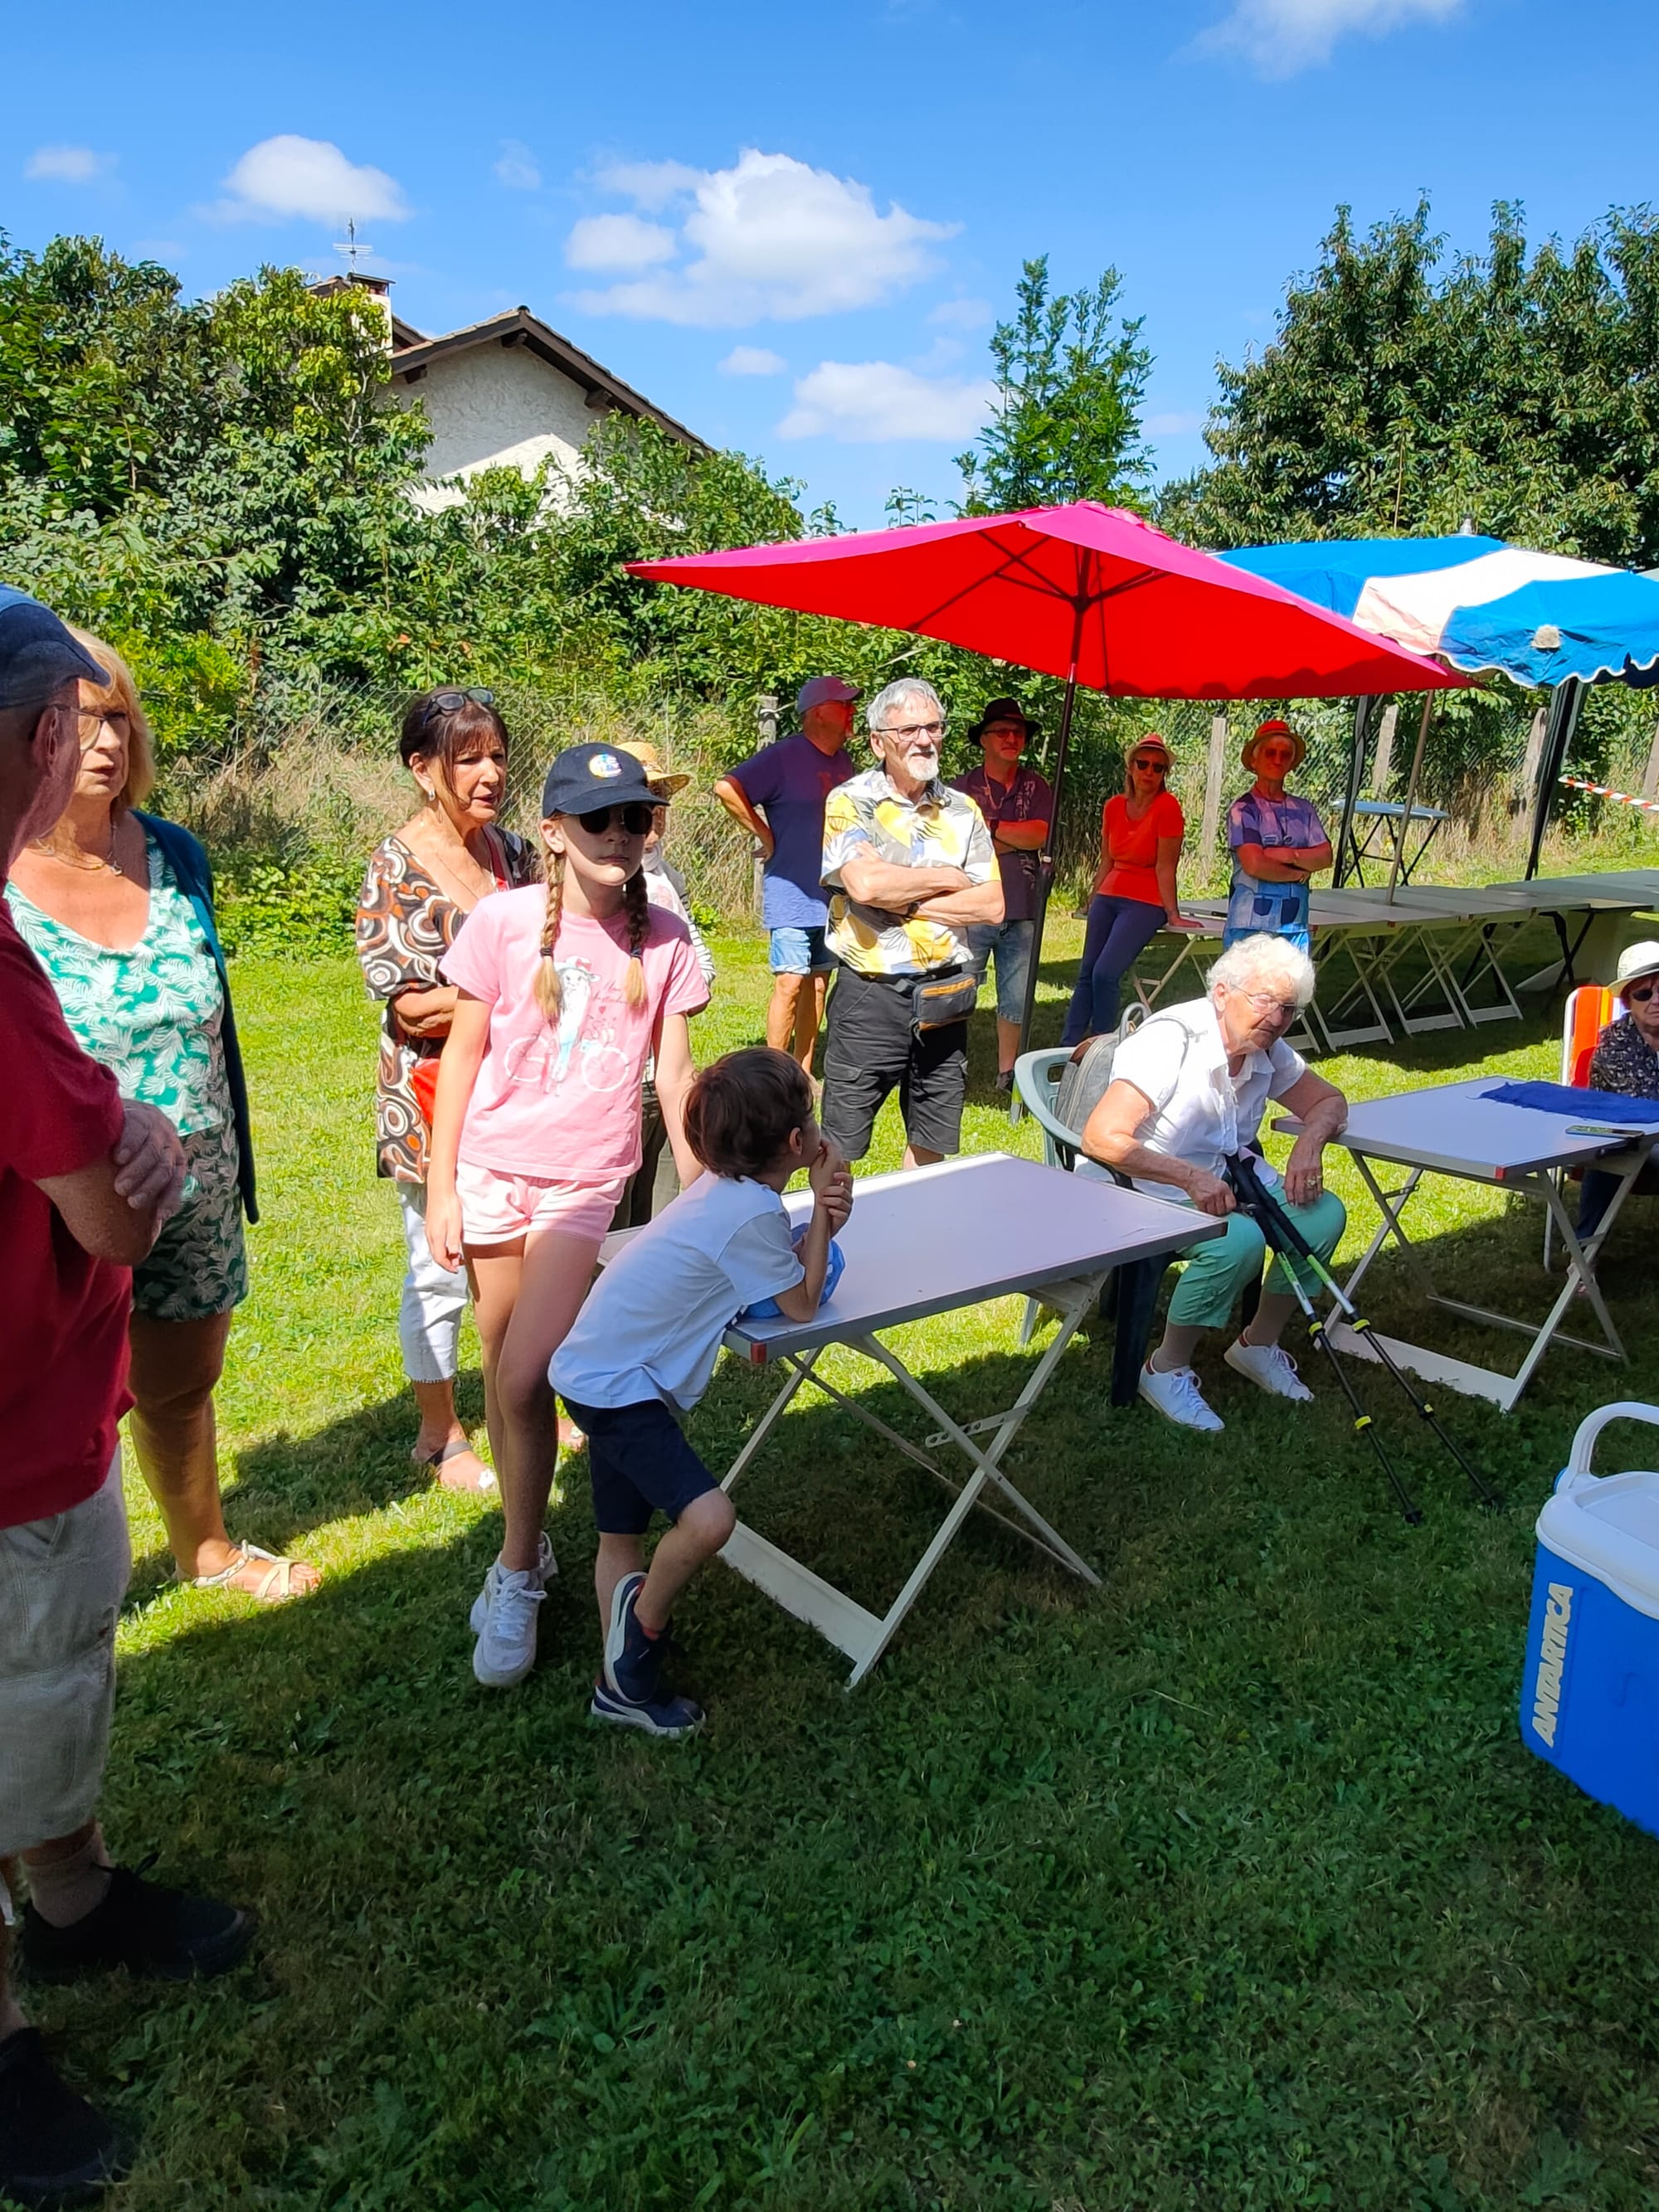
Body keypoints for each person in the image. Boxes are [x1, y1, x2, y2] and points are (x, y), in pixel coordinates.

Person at [0, 586, 253, 2210]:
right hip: (15, 1432)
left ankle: (74, 1896)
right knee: (24, 1679)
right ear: (37, 739)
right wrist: (132, 1160)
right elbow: (105, 1194)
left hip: (47, 1403)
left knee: (56, 1678)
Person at [5, 630, 312, 1603]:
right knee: (58, 1389)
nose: (104, 740)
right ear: (37, 736)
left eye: (119, 718)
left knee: (180, 1385)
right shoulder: (4, 875)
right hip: (61, 1189)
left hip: (199, 1175)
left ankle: (203, 1549)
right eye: (82, 718)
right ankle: (67, 1563)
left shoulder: (175, 854)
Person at [426, 743, 709, 1689]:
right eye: (601, 819)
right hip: (491, 1172)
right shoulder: (503, 922)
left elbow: (674, 1076)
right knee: (504, 1366)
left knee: (521, 1378)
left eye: (637, 818)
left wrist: (711, 1190)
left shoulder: (666, 937)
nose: (624, 835)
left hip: (584, 1184)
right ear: (552, 833)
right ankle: (530, 1545)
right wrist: (439, 1185)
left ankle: (515, 1569)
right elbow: (461, 1057)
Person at [552, 1048, 854, 1736]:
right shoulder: (752, 1214)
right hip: (619, 1387)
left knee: (619, 1538)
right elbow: (802, 1304)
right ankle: (639, 1642)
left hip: (594, 1369)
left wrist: (821, 1220)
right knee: (711, 1519)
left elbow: (767, 1285)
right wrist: (829, 1206)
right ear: (794, 1143)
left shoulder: (728, 1194)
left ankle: (618, 1681)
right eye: (808, 1114)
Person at [356, 687, 538, 1492]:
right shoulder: (394, 866)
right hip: (430, 1100)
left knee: (521, 1262)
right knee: (439, 1266)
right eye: (469, 758)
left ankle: (525, 1402)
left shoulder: (521, 855)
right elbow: (405, 1001)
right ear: (422, 768)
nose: (489, 772)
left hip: (520, 1100)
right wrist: (500, 992)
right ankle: (440, 1432)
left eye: (496, 754)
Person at [1080, 933, 1350, 1433]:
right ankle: (1164, 1367)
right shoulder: (1172, 1040)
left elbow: (1330, 1101)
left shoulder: (1266, 1047)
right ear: (1222, 993)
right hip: (1141, 1186)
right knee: (1239, 1240)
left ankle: (1256, 1345)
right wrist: (1189, 1177)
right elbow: (1102, 1137)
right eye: (1265, 1001)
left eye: (1289, 1008)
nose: (1276, 1018)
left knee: (1322, 1216)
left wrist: (1308, 1143)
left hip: (1228, 1183)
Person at [819, 678, 1002, 1169]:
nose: (924, 739)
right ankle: (828, 1242)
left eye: (934, 727)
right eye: (909, 730)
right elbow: (865, 886)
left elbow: (991, 906)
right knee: (841, 1142)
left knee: (932, 1135)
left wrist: (904, 899)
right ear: (879, 741)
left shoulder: (964, 810)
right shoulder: (850, 801)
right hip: (870, 992)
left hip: (946, 993)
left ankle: (916, 1234)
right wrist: (945, 877)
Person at [713, 676, 858, 1077]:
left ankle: (804, 1071)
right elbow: (726, 787)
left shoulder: (844, 762)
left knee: (817, 985)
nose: (852, 712)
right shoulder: (784, 756)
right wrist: (763, 833)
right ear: (816, 713)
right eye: (843, 705)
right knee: (790, 982)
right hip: (791, 890)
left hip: (831, 895)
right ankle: (773, 1073)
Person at [611, 741, 717, 1231]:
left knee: (658, 1218)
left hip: (665, 1073)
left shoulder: (664, 880)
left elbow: (699, 967)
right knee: (615, 1220)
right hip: (624, 1079)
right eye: (640, 800)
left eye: (658, 801)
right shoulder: (617, 884)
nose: (653, 815)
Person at [1062, 734, 1199, 1047]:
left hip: (1145, 899)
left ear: (1165, 774)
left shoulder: (1168, 807)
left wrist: (1173, 913)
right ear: (1131, 767)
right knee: (1087, 972)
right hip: (1110, 893)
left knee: (1105, 973)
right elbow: (1106, 860)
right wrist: (1093, 897)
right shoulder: (1113, 806)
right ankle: (1067, 1046)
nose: (1149, 772)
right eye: (1143, 764)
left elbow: (1166, 866)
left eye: (1158, 767)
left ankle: (1102, 1046)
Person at [950, 697, 1053, 1090]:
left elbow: (1039, 835)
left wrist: (990, 830)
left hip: (1023, 903)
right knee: (959, 987)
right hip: (973, 904)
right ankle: (950, 1065)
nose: (1012, 738)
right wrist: (1013, 836)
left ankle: (1006, 1072)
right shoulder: (962, 789)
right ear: (985, 740)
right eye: (1003, 732)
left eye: (1018, 732)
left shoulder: (1037, 785)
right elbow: (960, 843)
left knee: (1016, 995)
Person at [1224, 719, 1333, 951]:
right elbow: (1254, 865)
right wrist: (1299, 874)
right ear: (1254, 760)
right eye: (1270, 752)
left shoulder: (1304, 809)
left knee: (1291, 988)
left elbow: (1325, 856)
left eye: (1285, 755)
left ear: (1292, 763)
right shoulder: (1243, 810)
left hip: (1294, 925)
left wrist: (1287, 854)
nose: (1277, 759)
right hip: (1249, 924)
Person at [1578, 940, 1659, 1245]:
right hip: (1628, 1138)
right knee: (1607, 1155)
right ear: (1628, 1001)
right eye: (1644, 993)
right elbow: (1647, 1109)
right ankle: (1583, 1257)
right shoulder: (1616, 1045)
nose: (1656, 1000)